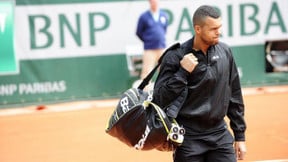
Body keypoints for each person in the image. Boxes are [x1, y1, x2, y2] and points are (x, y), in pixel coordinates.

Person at [153, 5, 247, 162]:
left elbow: (234, 95)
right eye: (213, 29)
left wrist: (240, 136)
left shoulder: (225, 52)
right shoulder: (175, 56)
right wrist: (182, 72)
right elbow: (159, 99)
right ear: (198, 29)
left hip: (219, 134)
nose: (219, 32)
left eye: (220, 27)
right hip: (188, 138)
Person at [135, 0, 168, 90]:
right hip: (149, 49)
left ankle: (165, 91)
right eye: (152, 1)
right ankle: (145, 92)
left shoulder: (164, 15)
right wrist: (148, 40)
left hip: (161, 48)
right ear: (150, 2)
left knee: (165, 70)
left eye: (156, 1)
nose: (154, 3)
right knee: (147, 71)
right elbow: (139, 32)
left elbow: (164, 30)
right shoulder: (144, 17)